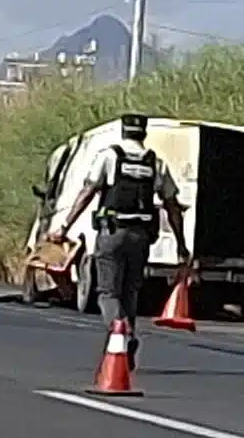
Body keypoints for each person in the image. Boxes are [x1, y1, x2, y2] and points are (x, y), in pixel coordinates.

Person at [58, 114, 187, 326]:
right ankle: (129, 340)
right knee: (130, 293)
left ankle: (120, 333)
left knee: (108, 293)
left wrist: (64, 227)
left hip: (112, 232)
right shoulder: (156, 163)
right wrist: (181, 245)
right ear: (144, 134)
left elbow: (88, 192)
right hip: (141, 237)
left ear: (123, 132)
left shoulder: (109, 157)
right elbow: (172, 206)